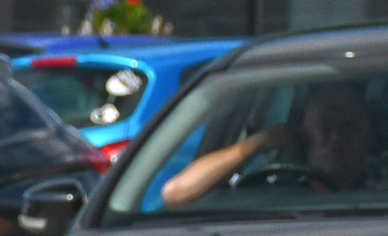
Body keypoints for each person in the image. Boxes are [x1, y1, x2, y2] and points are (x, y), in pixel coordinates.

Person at [161, 85, 376, 208]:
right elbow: (175, 194)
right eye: (326, 126)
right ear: (304, 134)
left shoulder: (378, 200)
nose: (337, 137)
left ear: (367, 137)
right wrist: (256, 144)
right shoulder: (265, 198)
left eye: (349, 126)